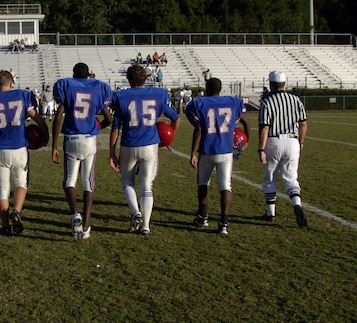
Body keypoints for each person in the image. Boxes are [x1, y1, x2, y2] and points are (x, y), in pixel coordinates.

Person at [0, 70, 48, 236]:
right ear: (11, 83)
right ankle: (17, 211)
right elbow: (39, 120)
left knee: (2, 190)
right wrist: (45, 137)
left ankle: (5, 226)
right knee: (21, 183)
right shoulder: (22, 95)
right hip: (19, 148)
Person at [109, 65, 180, 236]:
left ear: (128, 79)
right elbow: (176, 118)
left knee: (127, 182)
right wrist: (168, 138)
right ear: (146, 78)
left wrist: (111, 152)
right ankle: (146, 226)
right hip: (150, 145)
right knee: (147, 186)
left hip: (129, 144)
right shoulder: (158, 95)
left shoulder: (121, 96)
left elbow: (116, 128)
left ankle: (136, 212)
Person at [52, 62, 113, 241]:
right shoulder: (97, 89)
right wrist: (96, 126)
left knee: (69, 180)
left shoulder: (67, 87)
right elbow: (109, 118)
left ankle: (74, 215)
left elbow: (57, 119)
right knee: (88, 182)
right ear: (89, 75)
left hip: (71, 138)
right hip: (89, 139)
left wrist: (54, 145)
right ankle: (86, 225)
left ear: (73, 73)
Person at [185, 77, 250, 235]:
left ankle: (203, 217)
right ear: (220, 89)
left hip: (207, 150)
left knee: (203, 183)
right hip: (225, 150)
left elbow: (199, 129)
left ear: (206, 88)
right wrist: (247, 140)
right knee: (225, 186)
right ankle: (224, 224)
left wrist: (193, 152)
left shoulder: (199, 103)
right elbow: (245, 122)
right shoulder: (232, 102)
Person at [257, 70, 308, 227]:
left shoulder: (267, 102)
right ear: (284, 84)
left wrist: (261, 149)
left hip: (273, 140)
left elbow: (265, 127)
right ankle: (297, 204)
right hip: (293, 141)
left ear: (270, 84)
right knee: (291, 178)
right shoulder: (295, 100)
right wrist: (301, 141)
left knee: (270, 178)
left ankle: (270, 213)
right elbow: (303, 123)